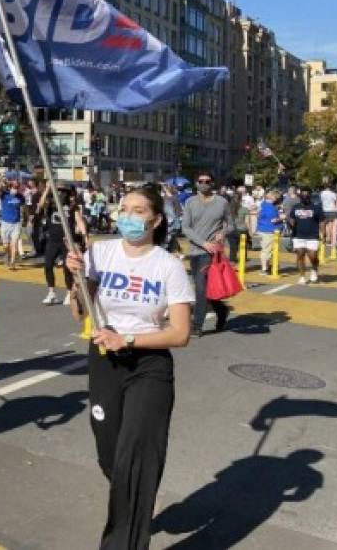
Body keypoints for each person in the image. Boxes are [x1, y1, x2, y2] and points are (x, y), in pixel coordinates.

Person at [64, 185, 193, 550]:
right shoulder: (99, 254)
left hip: (148, 366)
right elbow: (80, 312)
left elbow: (180, 334)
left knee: (136, 459)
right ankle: (132, 497)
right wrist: (74, 278)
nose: (128, 216)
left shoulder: (168, 266)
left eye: (138, 211)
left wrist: (130, 340)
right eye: (124, 208)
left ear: (155, 220)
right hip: (104, 361)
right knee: (111, 454)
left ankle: (124, 536)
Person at [182, 172, 234, 336]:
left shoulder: (222, 202)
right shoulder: (190, 202)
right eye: (201, 181)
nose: (204, 183)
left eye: (207, 181)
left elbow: (231, 225)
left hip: (212, 252)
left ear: (213, 183)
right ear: (196, 183)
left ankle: (197, 326)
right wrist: (202, 242)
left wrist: (223, 233)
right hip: (196, 251)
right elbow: (186, 228)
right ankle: (221, 310)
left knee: (200, 288)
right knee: (207, 288)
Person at [39, 183, 88, 305]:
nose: (60, 193)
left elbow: (79, 221)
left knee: (67, 268)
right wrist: (47, 189)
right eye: (58, 191)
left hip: (67, 241)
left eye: (63, 191)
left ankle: (69, 292)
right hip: (53, 239)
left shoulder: (72, 206)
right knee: (48, 264)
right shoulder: (51, 204)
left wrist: (85, 236)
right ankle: (51, 292)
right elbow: (40, 205)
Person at [288, 187, 324, 284]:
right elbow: (291, 218)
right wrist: (290, 222)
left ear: (310, 196)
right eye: (303, 195)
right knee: (300, 255)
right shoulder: (295, 207)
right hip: (298, 235)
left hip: (313, 235)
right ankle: (302, 276)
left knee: (312, 255)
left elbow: (321, 221)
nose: (305, 197)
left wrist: (323, 233)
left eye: (306, 195)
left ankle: (314, 269)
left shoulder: (316, 207)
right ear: (300, 196)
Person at [0, 176, 25, 270]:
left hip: (16, 223)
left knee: (14, 244)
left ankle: (12, 263)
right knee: (6, 246)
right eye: (14, 187)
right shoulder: (5, 195)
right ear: (10, 187)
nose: (15, 189)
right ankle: (7, 254)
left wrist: (26, 218)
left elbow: (24, 207)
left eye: (17, 187)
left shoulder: (20, 196)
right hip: (5, 223)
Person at [254, 190, 284, 274]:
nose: (278, 200)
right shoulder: (270, 208)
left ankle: (267, 266)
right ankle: (264, 268)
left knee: (267, 250)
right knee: (267, 250)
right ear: (273, 198)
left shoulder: (263, 204)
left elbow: (259, 215)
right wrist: (282, 217)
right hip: (269, 230)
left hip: (263, 229)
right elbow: (273, 220)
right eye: (277, 198)